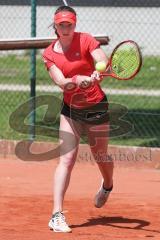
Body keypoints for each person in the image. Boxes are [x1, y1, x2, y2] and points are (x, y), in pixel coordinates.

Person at [42, 5, 114, 233]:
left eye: (69, 24)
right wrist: (77, 79)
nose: (65, 28)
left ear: (75, 24)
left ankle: (108, 185)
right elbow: (61, 82)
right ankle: (56, 215)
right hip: (71, 110)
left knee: (100, 156)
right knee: (66, 160)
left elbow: (101, 59)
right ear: (55, 25)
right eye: (61, 24)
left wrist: (97, 71)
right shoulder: (49, 54)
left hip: (97, 107)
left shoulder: (86, 40)